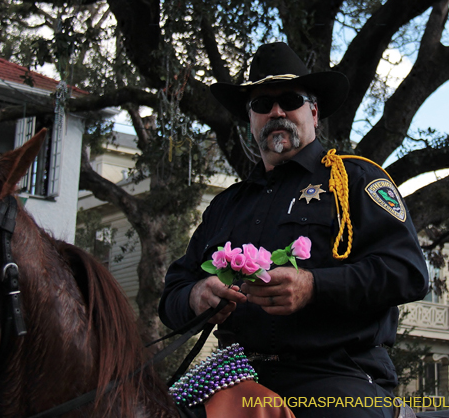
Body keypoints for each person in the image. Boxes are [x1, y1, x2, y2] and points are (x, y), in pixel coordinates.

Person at [159, 42, 429, 417]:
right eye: (261, 104)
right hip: (232, 376)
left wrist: (314, 287)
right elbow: (173, 291)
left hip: (332, 376)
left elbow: (409, 273)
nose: (276, 111)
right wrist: (195, 297)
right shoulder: (226, 206)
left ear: (314, 112)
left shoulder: (357, 180)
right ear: (250, 119)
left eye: (289, 99)